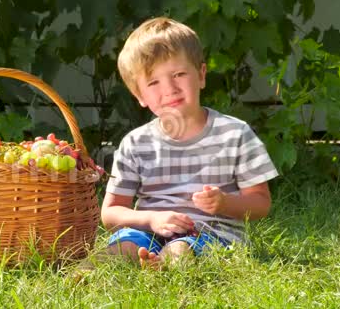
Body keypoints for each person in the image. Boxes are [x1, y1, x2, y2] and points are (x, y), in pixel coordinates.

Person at [101, 17, 279, 268]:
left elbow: (261, 203)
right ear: (139, 96)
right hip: (149, 231)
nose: (170, 88)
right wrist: (152, 219)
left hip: (212, 235)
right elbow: (110, 213)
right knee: (123, 247)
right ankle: (83, 277)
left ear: (201, 75)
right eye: (153, 82)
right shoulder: (135, 143)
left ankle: (162, 269)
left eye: (179, 74)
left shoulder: (235, 134)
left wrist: (225, 203)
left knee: (181, 249)